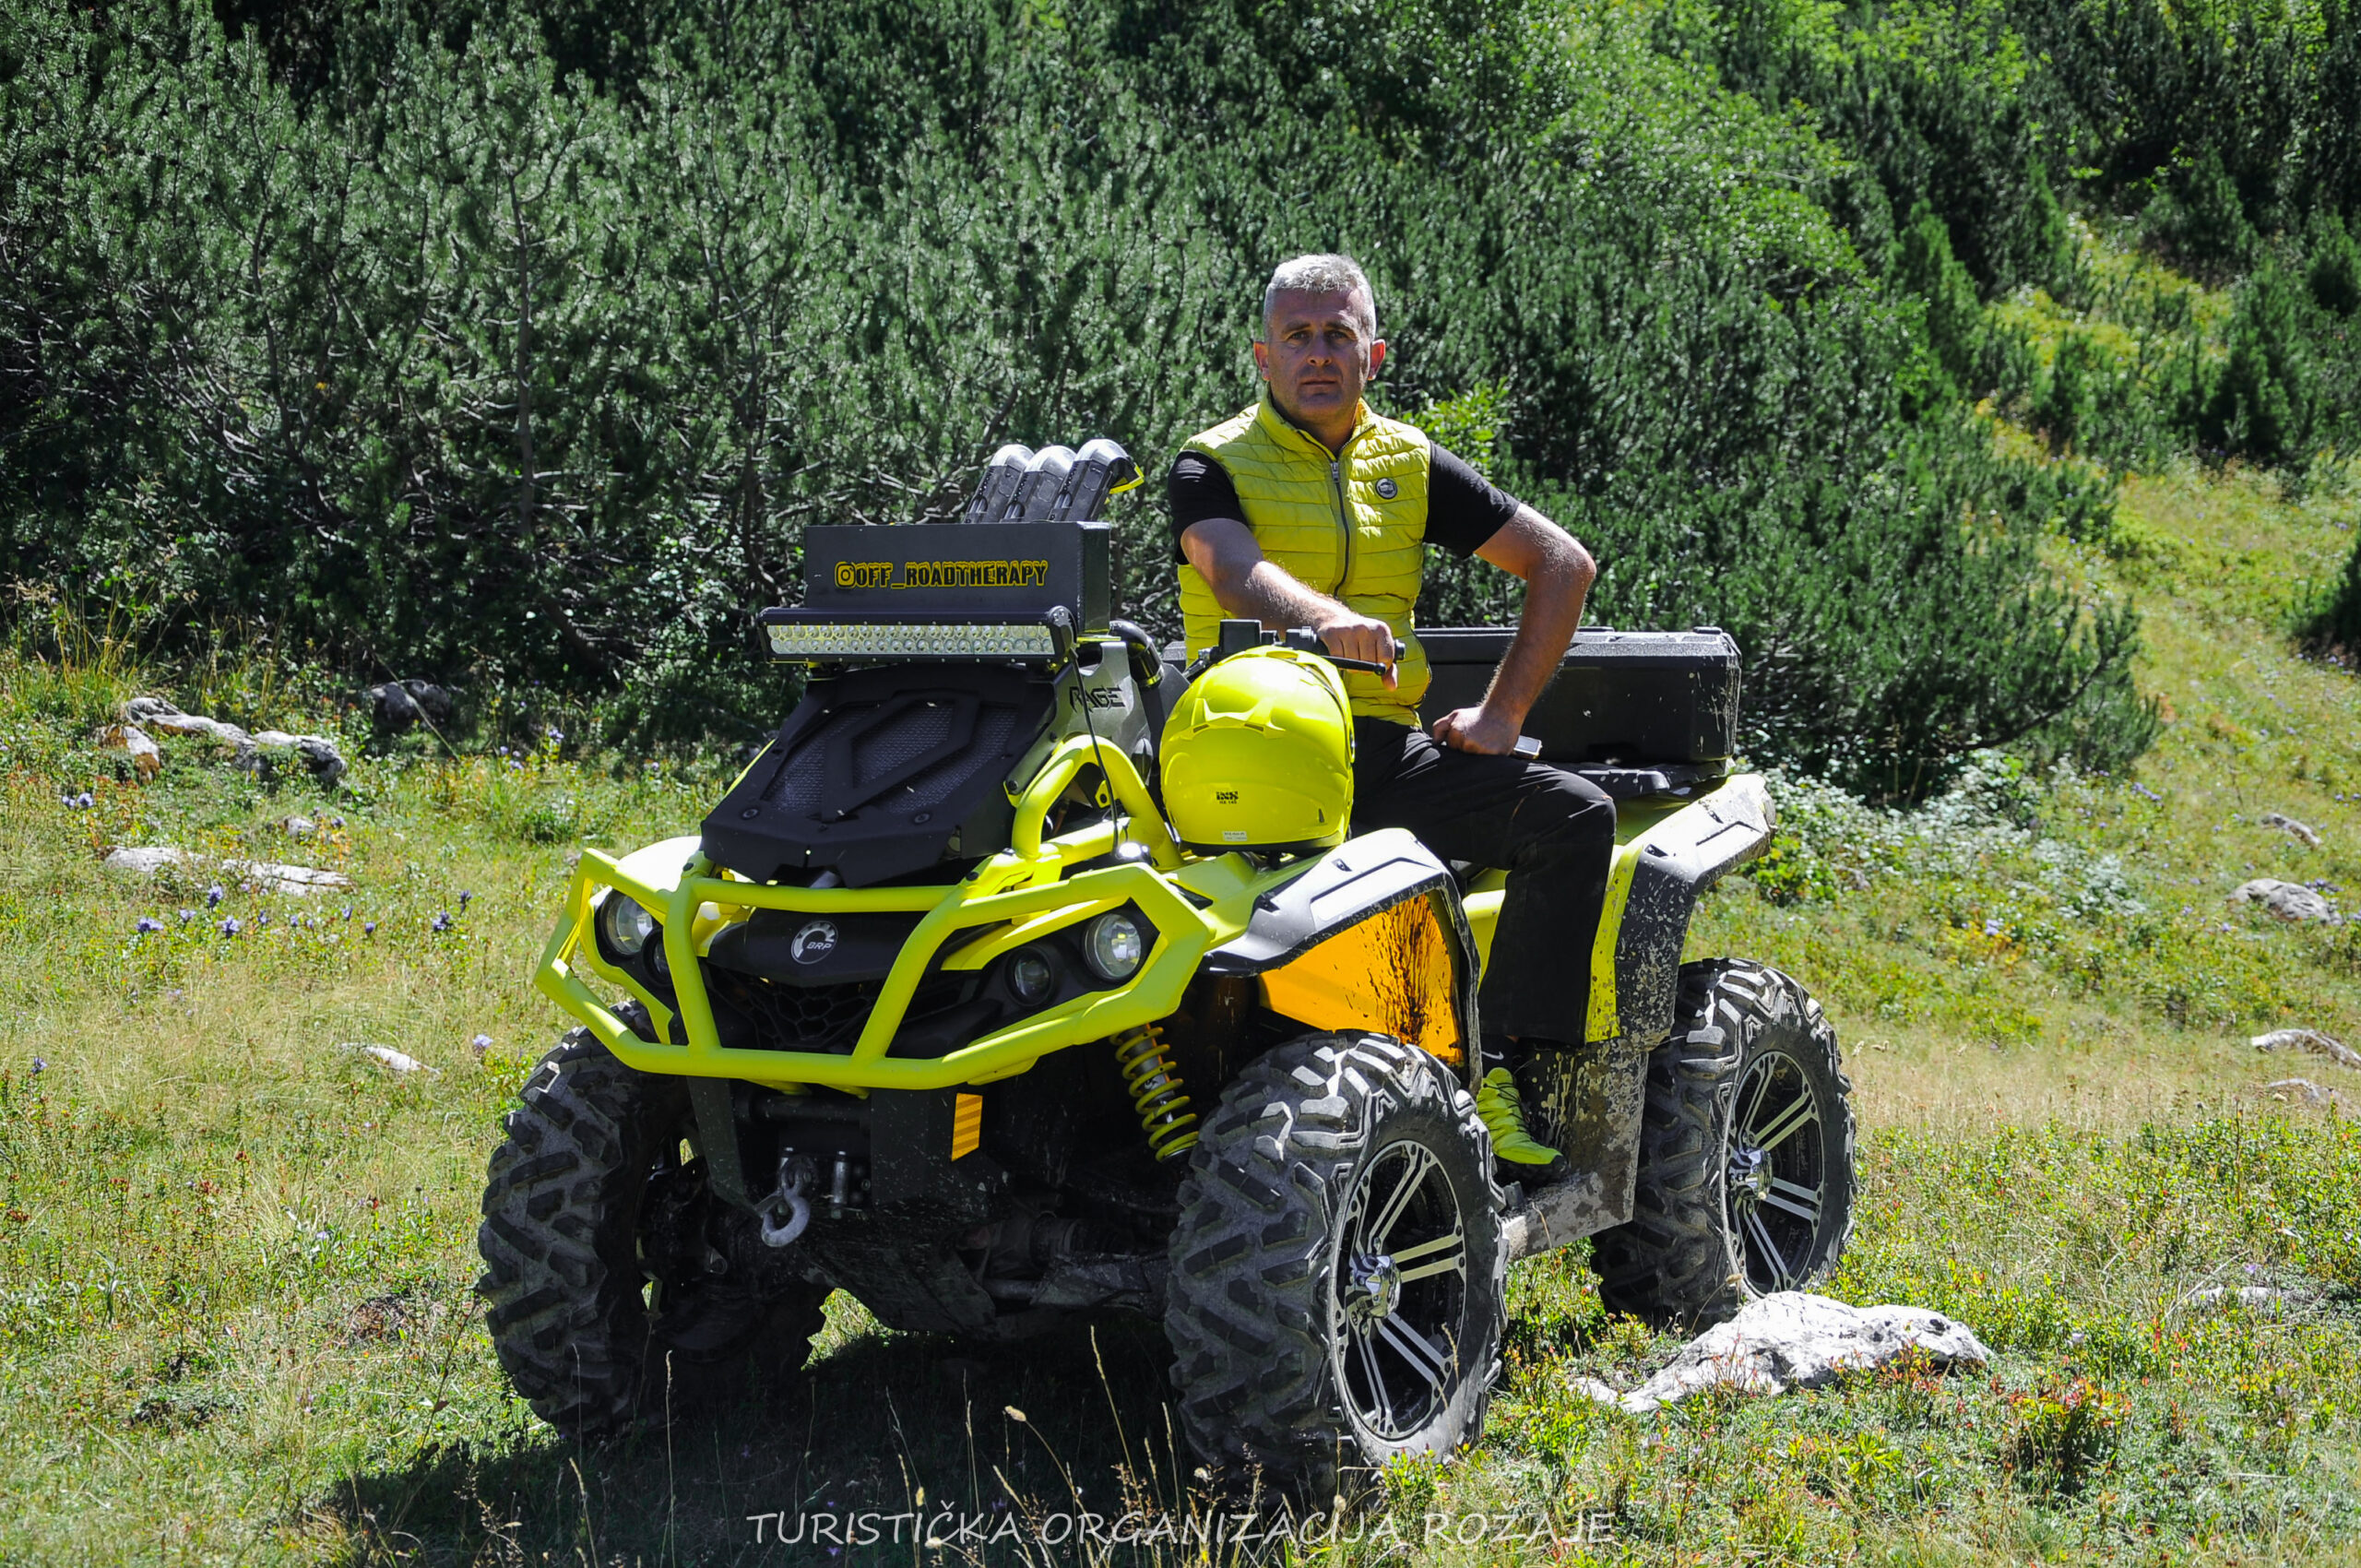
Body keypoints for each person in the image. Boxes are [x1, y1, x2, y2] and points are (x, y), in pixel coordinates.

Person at [1170, 253, 1615, 1167]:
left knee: (1574, 817)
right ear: (1262, 356)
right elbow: (1232, 572)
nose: (1318, 353)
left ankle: (1500, 1072)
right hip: (1244, 761)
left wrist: (1501, 714)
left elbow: (1562, 565)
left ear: (1372, 354)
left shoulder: (1407, 462)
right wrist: (1328, 621)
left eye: (1338, 335)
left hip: (1376, 750)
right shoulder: (1209, 462)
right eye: (1297, 336)